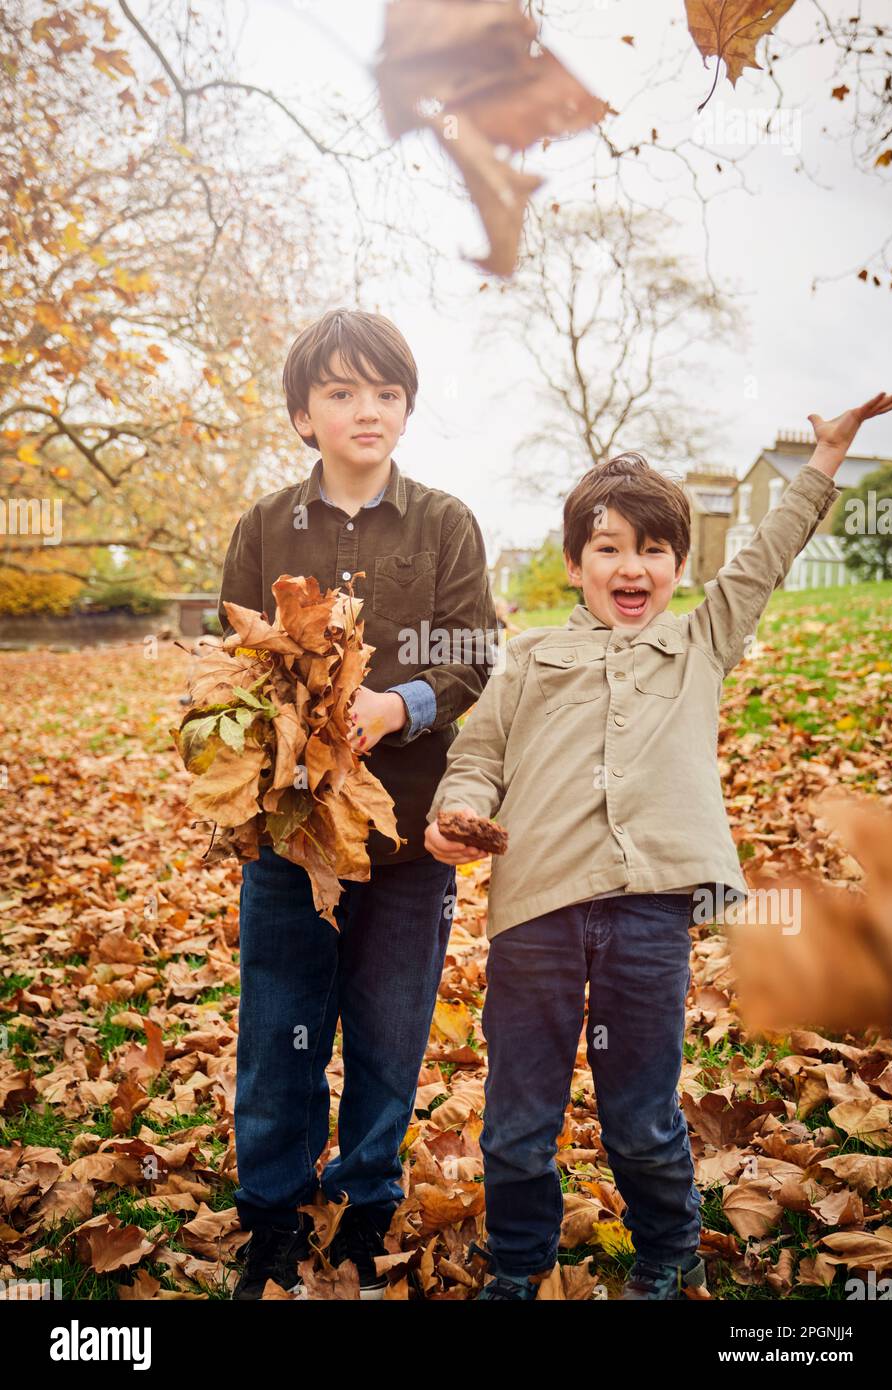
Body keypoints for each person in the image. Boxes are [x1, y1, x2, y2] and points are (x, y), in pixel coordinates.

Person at [424, 391, 892, 1301]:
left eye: (651, 549)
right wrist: (454, 815)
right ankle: (519, 1267)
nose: (630, 565)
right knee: (520, 1117)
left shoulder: (700, 641)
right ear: (574, 564)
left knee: (640, 1112)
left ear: (679, 565)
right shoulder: (528, 658)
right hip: (536, 912)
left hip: (649, 915)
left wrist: (826, 457)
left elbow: (763, 559)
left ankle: (668, 1254)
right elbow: (477, 757)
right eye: (607, 547)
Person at [219, 307, 498, 1299]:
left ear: (408, 407)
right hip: (292, 832)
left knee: (389, 1027)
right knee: (279, 1026)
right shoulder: (261, 528)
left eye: (385, 392)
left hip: (408, 835)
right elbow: (240, 659)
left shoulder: (444, 523)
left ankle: (368, 1201)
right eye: (340, 392)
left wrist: (394, 703)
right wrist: (277, 721)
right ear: (303, 415)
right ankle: (273, 1214)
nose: (365, 409)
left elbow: (476, 652)